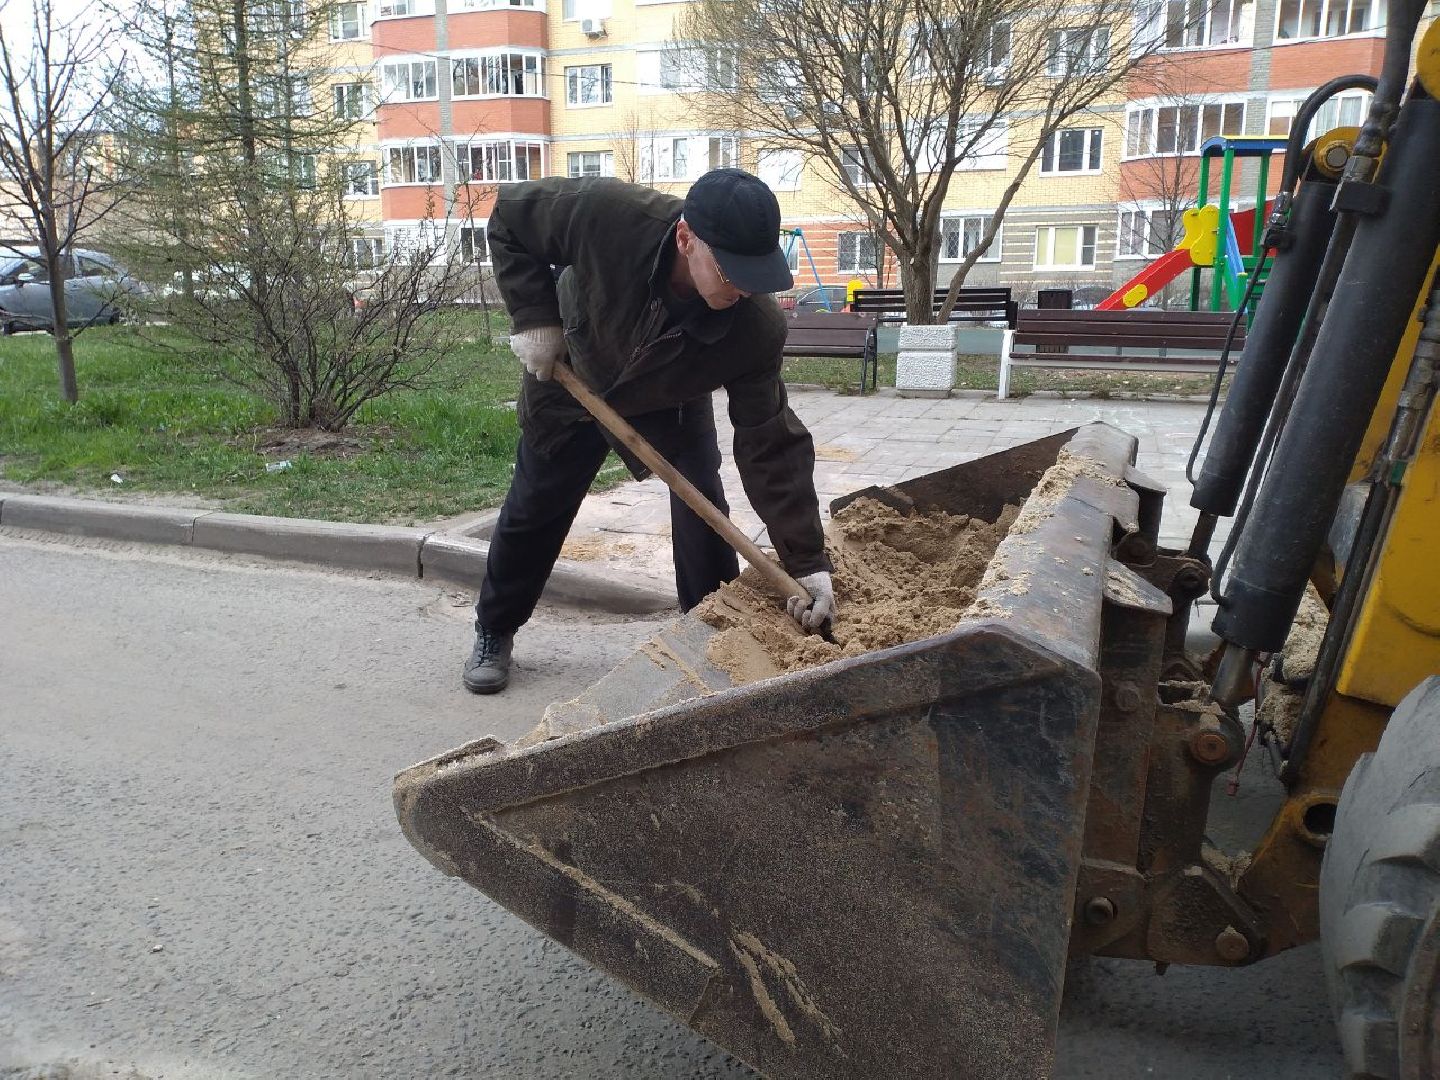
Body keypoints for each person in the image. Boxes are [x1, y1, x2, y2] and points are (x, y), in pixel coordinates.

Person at [463, 167, 836, 694]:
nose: (743, 288)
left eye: (756, 274)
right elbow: (510, 216)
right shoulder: (606, 214)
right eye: (729, 271)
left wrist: (807, 560)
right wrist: (533, 318)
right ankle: (494, 628)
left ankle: (710, 631)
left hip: (669, 396)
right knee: (534, 509)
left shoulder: (755, 329)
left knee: (702, 511)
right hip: (571, 370)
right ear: (686, 239)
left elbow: (770, 440)